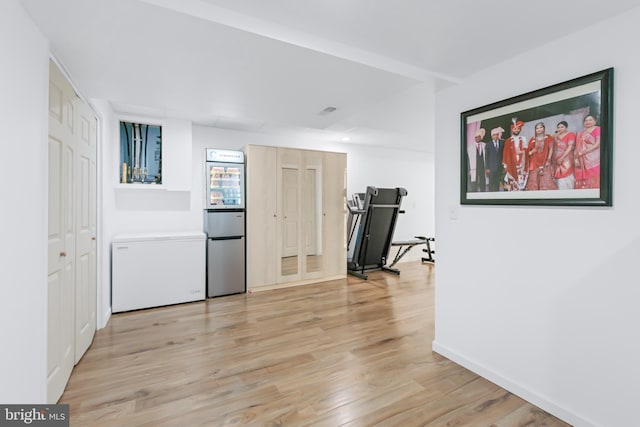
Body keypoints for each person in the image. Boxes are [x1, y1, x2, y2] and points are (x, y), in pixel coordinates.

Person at [525, 122, 557, 191]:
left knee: (546, 181)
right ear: (535, 130)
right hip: (534, 162)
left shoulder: (548, 137)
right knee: (534, 181)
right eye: (537, 128)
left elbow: (551, 149)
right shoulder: (532, 139)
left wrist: (548, 159)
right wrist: (531, 152)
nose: (539, 129)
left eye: (540, 127)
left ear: (544, 128)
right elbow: (529, 152)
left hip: (545, 161)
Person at [574, 114, 601, 189]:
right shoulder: (580, 133)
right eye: (586, 120)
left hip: (594, 158)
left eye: (590, 120)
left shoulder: (598, 129)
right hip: (581, 159)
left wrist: (583, 152)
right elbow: (577, 147)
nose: (588, 122)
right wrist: (576, 158)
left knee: (595, 176)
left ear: (595, 121)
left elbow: (597, 144)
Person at [502, 119, 527, 191]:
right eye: (515, 129)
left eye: (518, 129)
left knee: (521, 179)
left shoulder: (523, 139)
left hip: (521, 162)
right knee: (512, 180)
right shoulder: (508, 140)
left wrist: (521, 152)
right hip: (511, 162)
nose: (516, 130)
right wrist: (505, 165)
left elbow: (526, 149)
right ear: (512, 130)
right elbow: (505, 152)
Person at [553, 120, 576, 190]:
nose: (560, 129)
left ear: (566, 127)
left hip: (567, 158)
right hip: (557, 160)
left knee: (567, 175)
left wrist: (562, 158)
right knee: (559, 177)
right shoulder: (556, 137)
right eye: (558, 127)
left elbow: (570, 147)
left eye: (562, 127)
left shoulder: (570, 134)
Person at [485, 127, 505, 192]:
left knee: (497, 182)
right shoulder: (488, 145)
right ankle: (490, 196)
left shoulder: (502, 142)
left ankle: (496, 194)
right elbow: (486, 157)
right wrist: (487, 168)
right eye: (494, 135)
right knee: (491, 183)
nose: (495, 136)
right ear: (491, 136)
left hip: (499, 167)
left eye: (496, 134)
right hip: (491, 168)